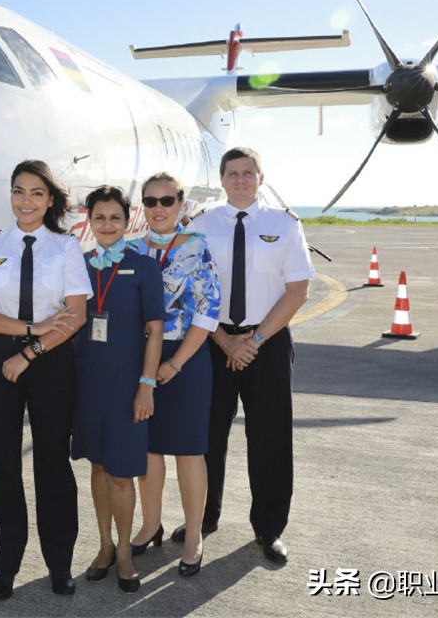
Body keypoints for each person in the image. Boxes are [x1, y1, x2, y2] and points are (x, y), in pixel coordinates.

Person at [0, 159, 92, 601]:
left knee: (52, 460)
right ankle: (7, 563)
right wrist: (32, 332)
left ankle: (59, 562)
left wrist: (32, 352)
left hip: (52, 359)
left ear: (50, 199)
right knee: (2, 461)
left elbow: (75, 315)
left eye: (37, 193)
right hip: (2, 353)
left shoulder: (65, 247)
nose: (26, 201)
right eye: (19, 191)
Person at [188, 146, 315, 565]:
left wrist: (253, 341)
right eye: (232, 173)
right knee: (206, 438)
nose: (240, 179)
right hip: (213, 340)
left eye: (248, 173)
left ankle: (269, 527)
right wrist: (226, 341)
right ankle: (202, 519)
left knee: (270, 438)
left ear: (261, 178)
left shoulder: (285, 225)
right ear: (221, 180)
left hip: (269, 341)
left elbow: (297, 291)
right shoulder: (201, 227)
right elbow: (191, 291)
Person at [71, 186, 165, 594]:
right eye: (99, 218)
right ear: (88, 221)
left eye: (114, 218)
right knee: (96, 466)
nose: (106, 225)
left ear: (127, 222)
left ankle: (125, 551)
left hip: (128, 386)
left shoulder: (144, 267)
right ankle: (105, 546)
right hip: (87, 386)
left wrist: (146, 386)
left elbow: (156, 331)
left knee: (122, 474)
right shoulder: (79, 265)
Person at [130, 172, 221, 577]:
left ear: (181, 204)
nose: (159, 209)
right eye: (151, 202)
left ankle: (194, 535)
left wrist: (176, 362)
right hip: (140, 358)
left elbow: (207, 311)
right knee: (147, 449)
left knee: (188, 450)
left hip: (185, 357)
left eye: (167, 201)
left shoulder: (196, 247)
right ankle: (150, 525)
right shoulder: (130, 250)